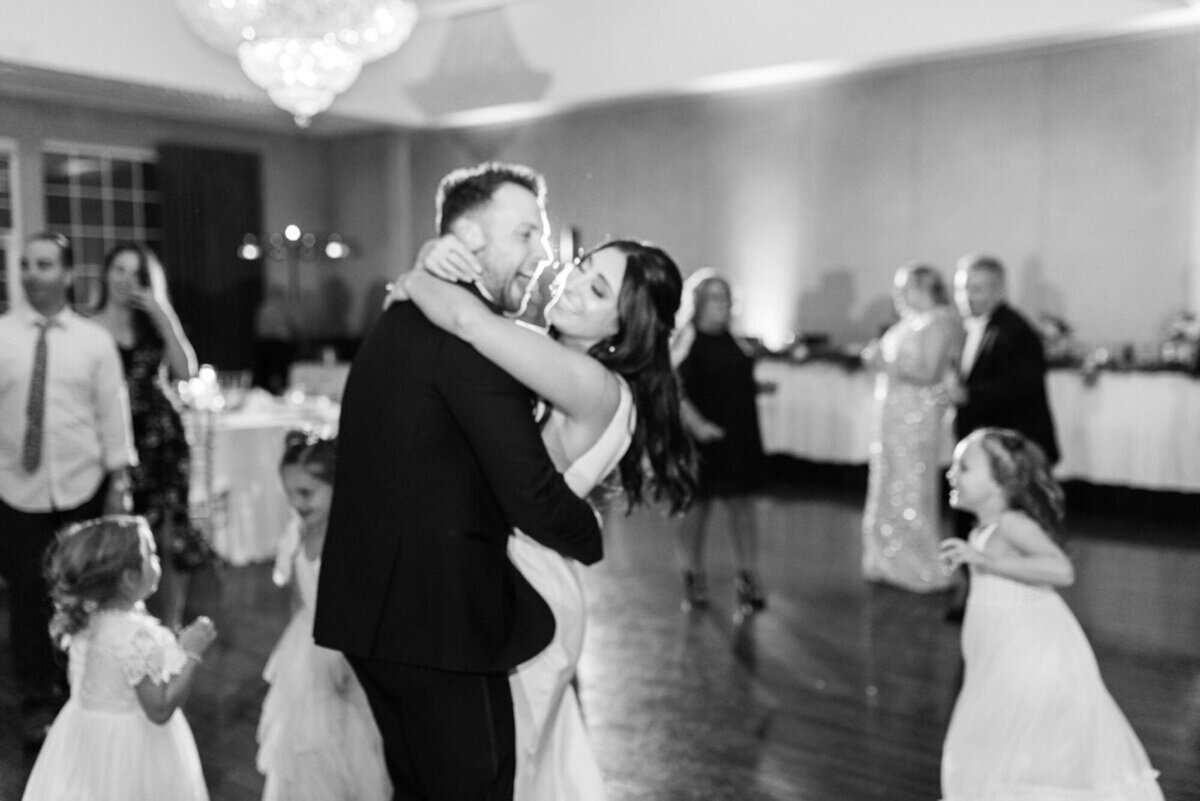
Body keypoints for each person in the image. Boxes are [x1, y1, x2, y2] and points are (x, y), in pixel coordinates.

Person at [313, 162, 604, 801]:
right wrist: (591, 535)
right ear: (468, 241)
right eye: (526, 234)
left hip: (372, 618)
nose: (543, 253)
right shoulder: (471, 341)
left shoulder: (404, 316)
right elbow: (529, 494)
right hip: (438, 626)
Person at [391, 233, 697, 800]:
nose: (574, 282)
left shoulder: (594, 385)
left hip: (524, 592)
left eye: (598, 288)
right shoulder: (561, 365)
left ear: (623, 327)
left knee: (509, 769)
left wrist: (413, 277)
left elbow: (469, 324)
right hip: (509, 576)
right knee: (506, 767)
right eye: (582, 267)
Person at [938, 429, 1163, 801]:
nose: (951, 473)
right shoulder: (986, 528)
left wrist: (985, 561)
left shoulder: (1013, 525)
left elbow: (1062, 571)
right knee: (1004, 731)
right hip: (1000, 650)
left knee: (1028, 734)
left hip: (1031, 651)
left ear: (1000, 481)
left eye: (965, 467)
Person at [0, 232, 137, 750]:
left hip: (83, 486)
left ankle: (84, 689)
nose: (33, 273)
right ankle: (37, 700)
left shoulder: (93, 341)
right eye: (26, 265)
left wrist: (119, 481)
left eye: (44, 265)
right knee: (30, 598)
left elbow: (112, 413)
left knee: (85, 594)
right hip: (14, 489)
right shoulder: (2, 335)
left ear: (67, 274)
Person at [22, 515, 217, 801]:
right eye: (150, 553)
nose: (157, 558)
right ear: (129, 578)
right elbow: (159, 708)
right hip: (133, 748)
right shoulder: (137, 636)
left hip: (82, 743)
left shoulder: (85, 618)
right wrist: (191, 652)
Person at [256, 430, 391, 801]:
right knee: (307, 744)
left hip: (348, 648)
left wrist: (351, 660)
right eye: (290, 494)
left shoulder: (348, 539)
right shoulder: (296, 534)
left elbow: (364, 603)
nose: (297, 503)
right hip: (307, 648)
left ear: (338, 484)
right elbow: (298, 598)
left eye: (306, 493)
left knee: (354, 742)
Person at [90, 242, 211, 630]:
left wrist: (163, 315)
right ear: (106, 273)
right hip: (115, 438)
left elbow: (186, 371)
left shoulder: (152, 324)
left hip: (162, 438)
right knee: (120, 534)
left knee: (169, 534)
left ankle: (170, 625)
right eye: (119, 270)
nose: (126, 280)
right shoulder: (87, 327)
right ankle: (123, 627)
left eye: (136, 274)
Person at [944, 254, 1059, 619]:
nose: (965, 296)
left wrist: (968, 396)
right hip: (984, 453)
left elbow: (1023, 386)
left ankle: (1000, 597)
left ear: (998, 289)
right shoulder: (974, 327)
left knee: (1008, 528)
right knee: (978, 521)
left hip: (1009, 455)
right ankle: (976, 590)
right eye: (962, 287)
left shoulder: (1015, 331)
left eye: (975, 288)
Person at [670, 271, 768, 614]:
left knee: (742, 509)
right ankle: (693, 577)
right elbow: (672, 389)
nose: (720, 305)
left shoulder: (735, 339)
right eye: (713, 297)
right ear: (697, 302)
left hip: (738, 437)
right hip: (701, 439)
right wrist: (697, 424)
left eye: (724, 298)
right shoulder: (686, 339)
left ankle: (747, 577)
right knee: (695, 511)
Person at [860, 263, 961, 593]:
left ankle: (919, 561)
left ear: (923, 287)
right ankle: (889, 557)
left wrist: (885, 362)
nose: (898, 295)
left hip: (915, 417)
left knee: (911, 485)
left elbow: (928, 371)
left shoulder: (938, 321)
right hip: (895, 414)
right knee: (891, 481)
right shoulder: (908, 323)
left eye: (905, 288)